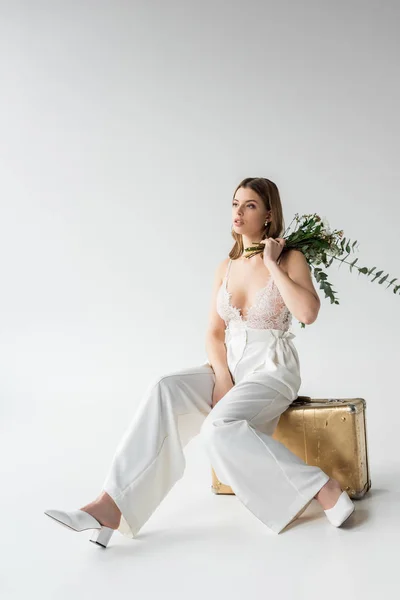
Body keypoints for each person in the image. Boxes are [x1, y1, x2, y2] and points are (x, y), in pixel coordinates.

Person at [44, 177, 355, 547]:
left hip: (271, 368)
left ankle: (321, 487)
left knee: (218, 427)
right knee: (166, 388)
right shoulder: (226, 266)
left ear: (269, 215)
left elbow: (308, 313)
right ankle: (111, 504)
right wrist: (222, 379)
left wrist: (272, 264)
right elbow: (213, 331)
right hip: (229, 365)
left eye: (250, 205)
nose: (238, 212)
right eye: (235, 203)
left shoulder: (290, 259)